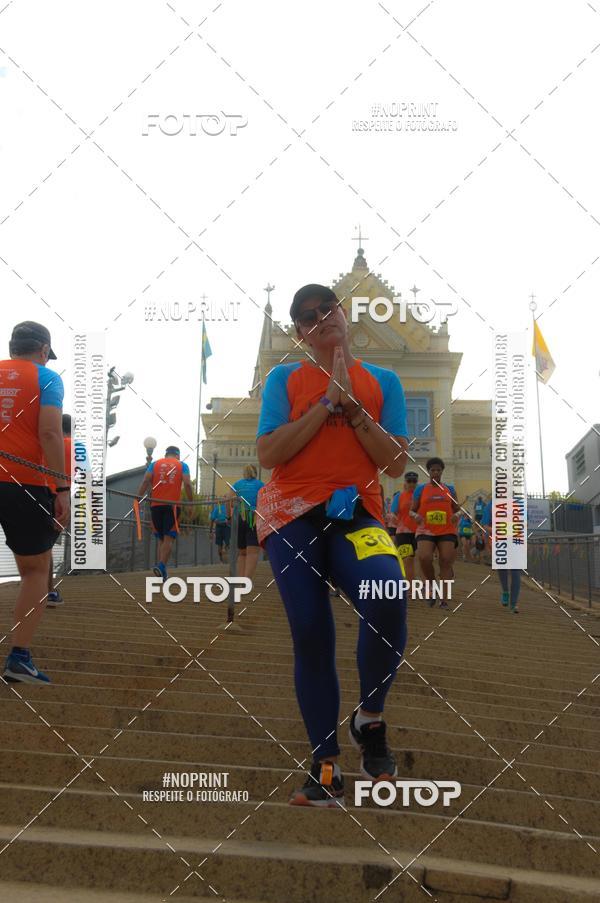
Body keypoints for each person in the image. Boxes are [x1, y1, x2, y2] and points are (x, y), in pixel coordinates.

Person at [256, 283, 409, 807]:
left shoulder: (384, 381)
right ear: (301, 333)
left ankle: (370, 719)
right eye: (309, 316)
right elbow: (269, 453)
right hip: (291, 514)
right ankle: (325, 765)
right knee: (311, 631)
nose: (322, 318)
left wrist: (354, 407)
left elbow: (395, 463)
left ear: (344, 314)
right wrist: (327, 401)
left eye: (329, 308)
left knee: (388, 592)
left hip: (357, 512)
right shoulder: (285, 379)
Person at [0, 322, 69, 684]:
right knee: (34, 571)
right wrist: (61, 488)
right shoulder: (47, 378)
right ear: (43, 350)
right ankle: (19, 657)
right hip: (23, 483)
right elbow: (49, 432)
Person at [137, 446, 193, 580]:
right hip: (172, 506)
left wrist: (137, 499)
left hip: (155, 505)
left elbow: (145, 480)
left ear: (166, 454)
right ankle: (161, 565)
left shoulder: (155, 464)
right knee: (168, 538)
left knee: (161, 539)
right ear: (178, 455)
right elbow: (187, 484)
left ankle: (161, 572)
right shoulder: (182, 465)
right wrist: (191, 503)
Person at [410, 457, 459, 608]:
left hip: (446, 530)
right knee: (424, 557)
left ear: (442, 471)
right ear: (428, 472)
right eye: (433, 470)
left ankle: (444, 600)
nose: (436, 472)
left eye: (438, 470)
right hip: (426, 530)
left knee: (445, 560)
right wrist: (415, 516)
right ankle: (431, 584)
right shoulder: (421, 489)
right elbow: (411, 510)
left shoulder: (450, 489)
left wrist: (456, 516)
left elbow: (458, 510)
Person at [46, 413, 72, 607]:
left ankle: (42, 588)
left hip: (37, 493)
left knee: (39, 544)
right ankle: (48, 591)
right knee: (46, 545)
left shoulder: (46, 441)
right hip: (61, 499)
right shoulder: (76, 446)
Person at [227, 464, 264, 585]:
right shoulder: (260, 485)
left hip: (239, 518)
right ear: (255, 473)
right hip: (254, 518)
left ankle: (240, 580)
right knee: (252, 552)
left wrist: (229, 516)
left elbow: (228, 499)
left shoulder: (237, 484)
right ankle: (247, 581)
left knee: (242, 553)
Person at [391, 472, 419, 586]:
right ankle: (409, 587)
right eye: (409, 481)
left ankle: (415, 584)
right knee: (407, 559)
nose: (411, 483)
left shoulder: (420, 496)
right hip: (403, 533)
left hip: (419, 533)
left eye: (414, 481)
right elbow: (393, 512)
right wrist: (394, 518)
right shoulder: (399, 496)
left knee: (418, 560)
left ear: (417, 483)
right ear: (405, 482)